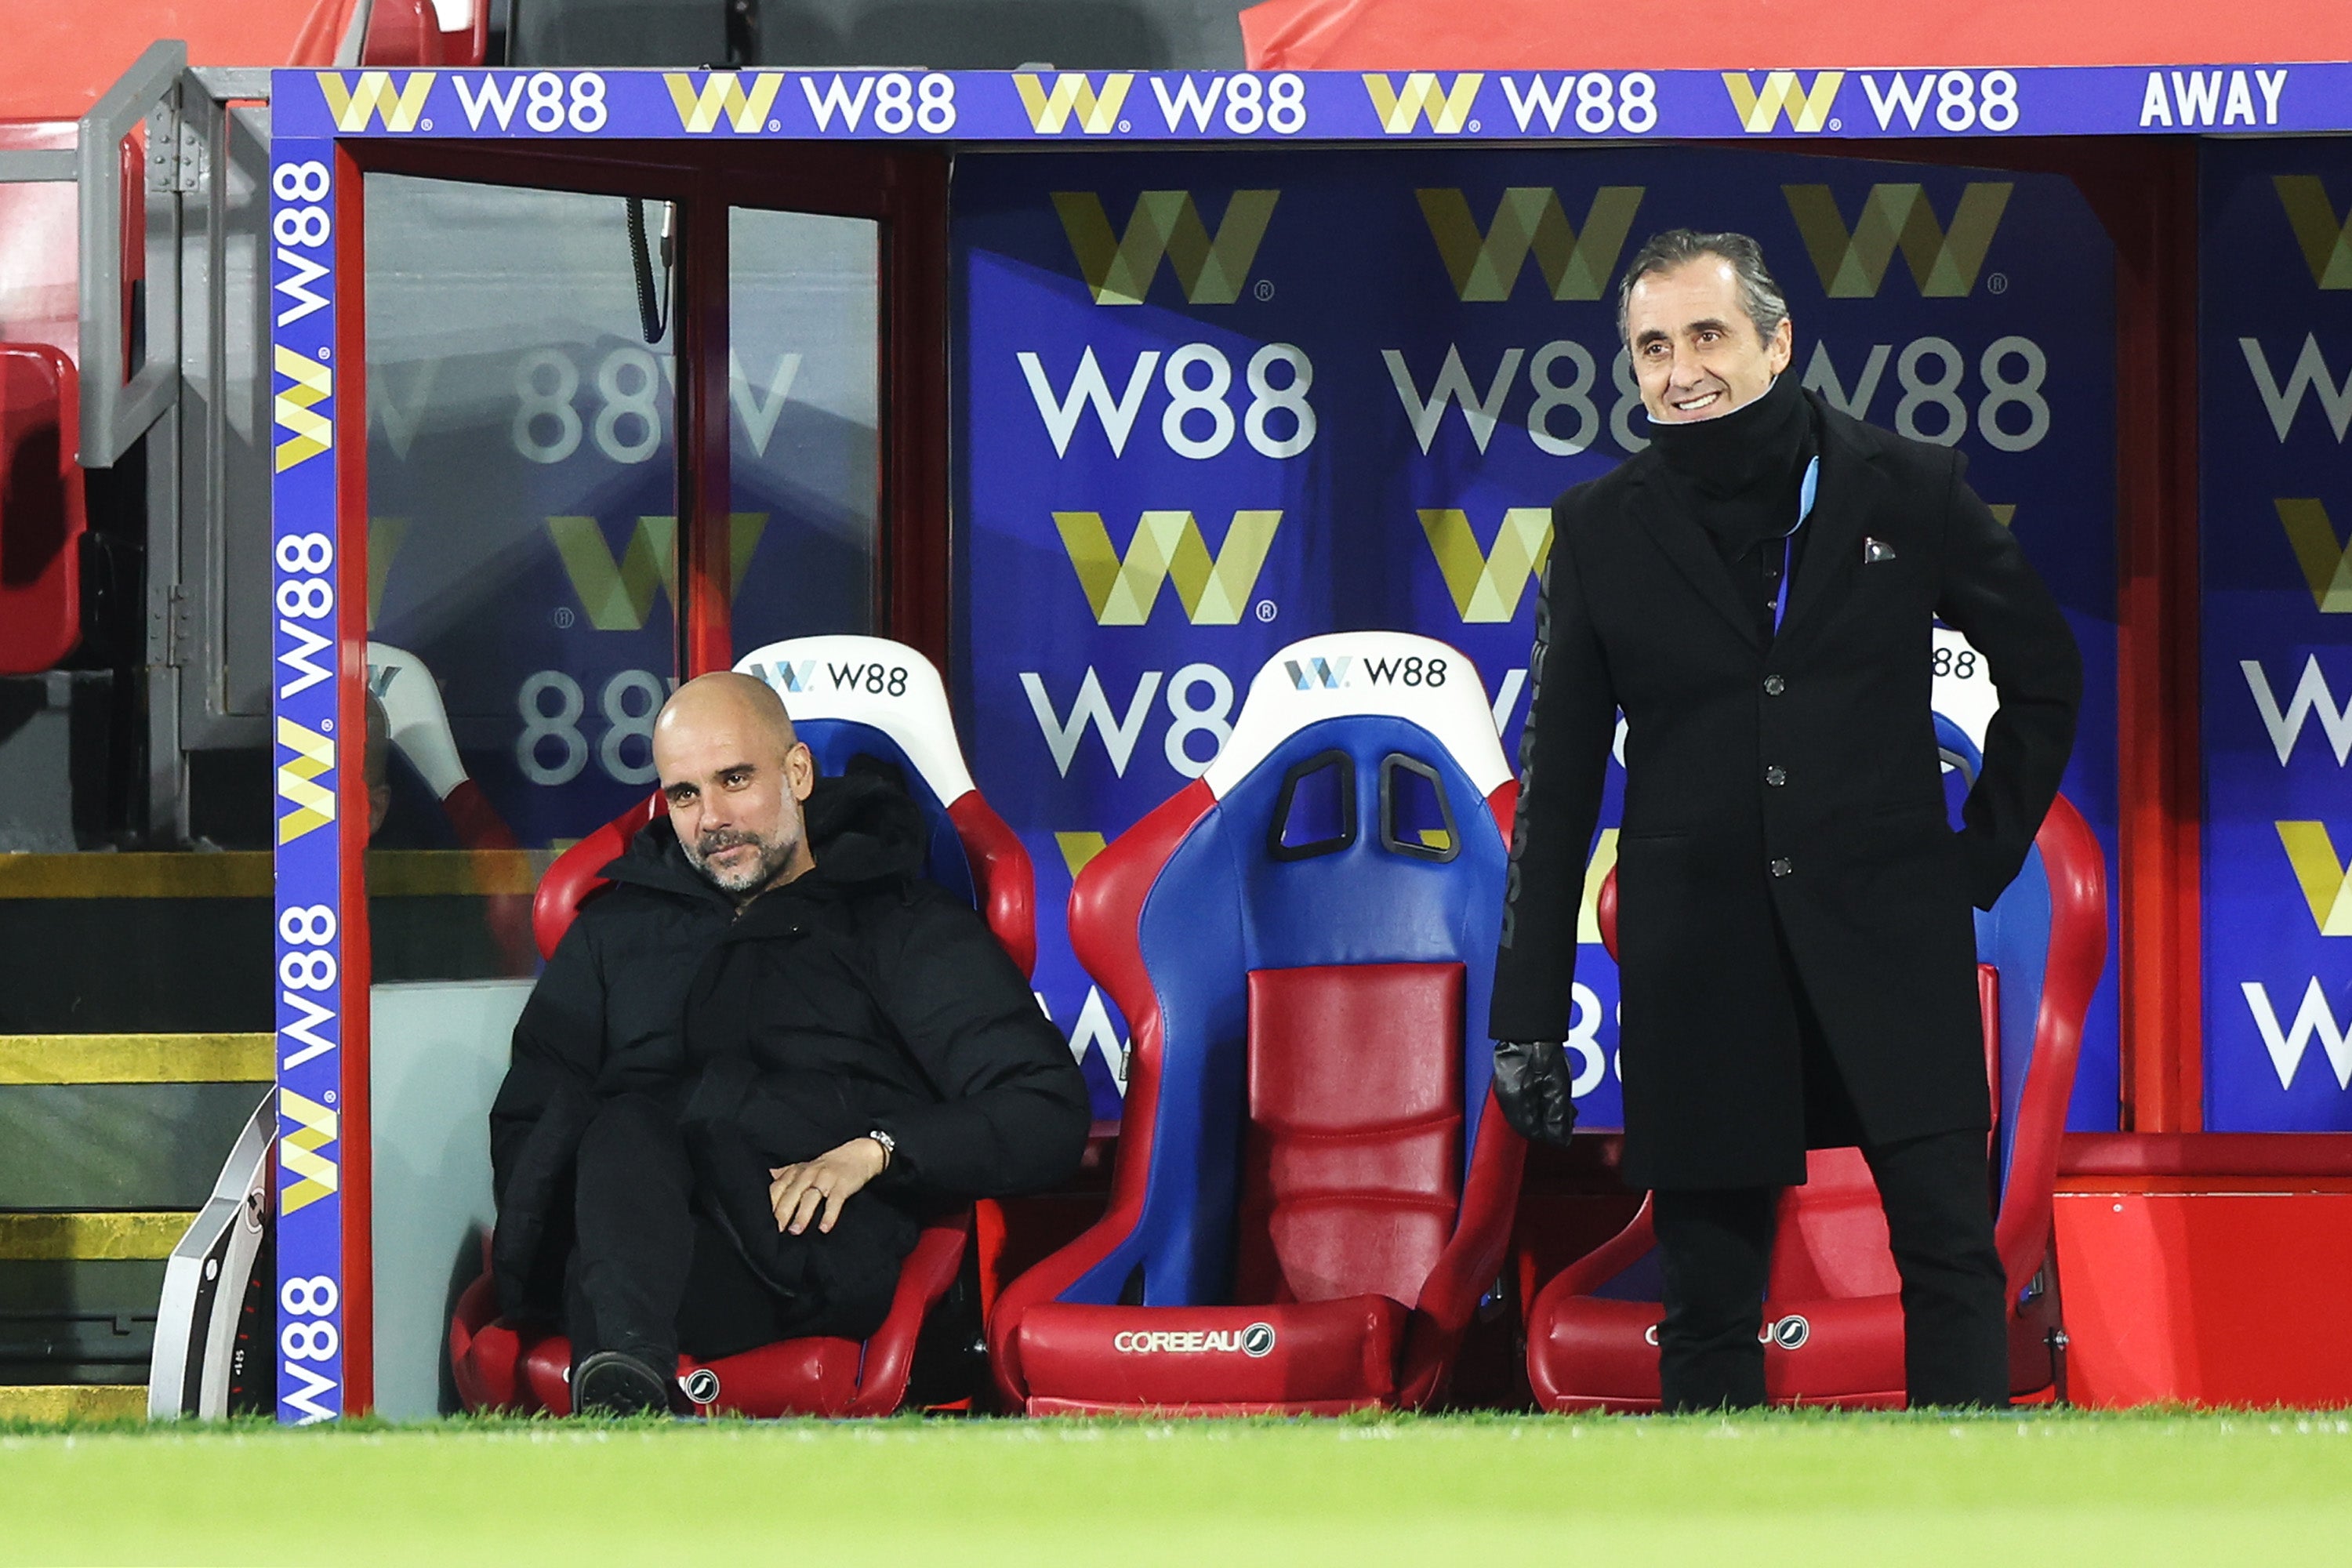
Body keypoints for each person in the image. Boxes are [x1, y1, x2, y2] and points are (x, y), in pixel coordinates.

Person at [1489, 230, 2080, 1412]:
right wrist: (1528, 1016)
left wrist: (1973, 861)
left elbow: (2046, 673)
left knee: (1954, 1267)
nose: (1680, 371)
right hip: (1700, 958)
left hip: (1890, 942)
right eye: (1652, 347)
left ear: (1778, 343)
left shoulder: (1907, 487)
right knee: (1706, 1304)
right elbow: (1556, 791)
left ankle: (1964, 1529)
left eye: (1706, 336)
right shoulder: (1599, 530)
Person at [488, 671, 1090, 1415]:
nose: (711, 818)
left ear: (797, 772)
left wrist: (876, 1149)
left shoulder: (901, 924)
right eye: (685, 795)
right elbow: (526, 1122)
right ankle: (629, 1381)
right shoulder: (613, 933)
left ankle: (622, 1391)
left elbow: (1045, 1111)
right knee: (621, 1133)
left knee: (624, 1158)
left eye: (734, 779)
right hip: (623, 1244)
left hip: (797, 1250)